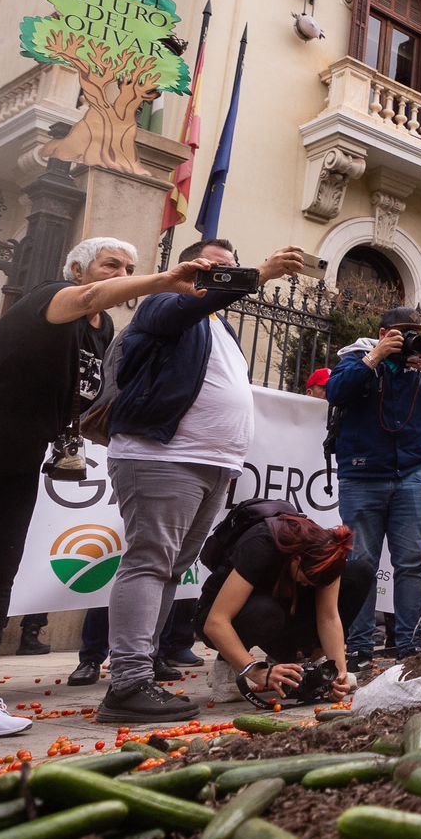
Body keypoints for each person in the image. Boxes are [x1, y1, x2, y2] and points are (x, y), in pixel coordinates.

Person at [0, 237, 210, 755]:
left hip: (16, 455)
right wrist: (166, 281)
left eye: (130, 266)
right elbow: (84, 298)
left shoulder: (103, 333)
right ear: (79, 268)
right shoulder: (54, 297)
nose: (121, 272)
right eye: (110, 265)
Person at [97, 236, 309, 724]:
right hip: (164, 455)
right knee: (150, 561)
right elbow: (180, 314)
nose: (224, 274)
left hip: (213, 463)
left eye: (231, 268)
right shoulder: (162, 304)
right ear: (186, 269)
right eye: (214, 267)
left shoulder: (221, 328)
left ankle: (142, 672)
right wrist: (259, 273)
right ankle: (127, 682)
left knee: (172, 567)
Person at [328, 306, 421, 673]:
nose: (409, 339)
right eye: (402, 332)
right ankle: (360, 645)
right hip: (362, 476)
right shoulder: (356, 358)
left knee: (413, 562)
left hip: (411, 474)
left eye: (415, 332)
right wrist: (374, 357)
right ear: (383, 333)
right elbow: (337, 392)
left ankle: (410, 643)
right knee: (360, 563)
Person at [199, 506, 362, 706]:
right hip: (217, 616)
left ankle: (300, 658)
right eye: (306, 580)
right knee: (266, 611)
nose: (308, 586)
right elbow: (215, 622)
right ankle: (228, 663)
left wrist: (338, 672)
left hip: (283, 609)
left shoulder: (327, 553)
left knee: (359, 573)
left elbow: (328, 616)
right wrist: (256, 671)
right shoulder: (262, 544)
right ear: (297, 559)